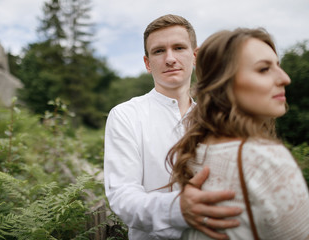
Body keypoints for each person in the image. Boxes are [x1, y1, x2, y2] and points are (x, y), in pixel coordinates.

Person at [104, 14, 242, 240]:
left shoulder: (217, 119)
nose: (170, 59)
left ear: (195, 55)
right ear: (147, 63)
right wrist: (178, 208)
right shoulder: (126, 115)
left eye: (179, 48)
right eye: (158, 51)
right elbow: (122, 197)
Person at [165, 27, 309, 239]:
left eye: (278, 66)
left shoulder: (193, 150)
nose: (285, 78)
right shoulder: (267, 158)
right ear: (224, 85)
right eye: (263, 69)